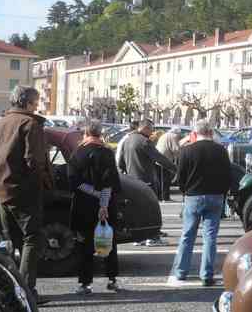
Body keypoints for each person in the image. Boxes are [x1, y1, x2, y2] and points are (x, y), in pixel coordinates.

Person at [0, 86, 53, 302]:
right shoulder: (30, 124)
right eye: (36, 102)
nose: (37, 106)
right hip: (24, 191)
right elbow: (35, 161)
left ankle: (8, 289)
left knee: (11, 241)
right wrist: (43, 184)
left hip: (0, 189)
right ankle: (24, 292)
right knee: (32, 238)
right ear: (27, 103)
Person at [169, 119, 232, 286]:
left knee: (187, 235)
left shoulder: (187, 151)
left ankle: (181, 272)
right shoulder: (221, 151)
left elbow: (180, 177)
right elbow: (228, 175)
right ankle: (206, 274)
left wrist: (185, 191)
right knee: (210, 237)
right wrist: (223, 193)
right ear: (211, 133)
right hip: (215, 196)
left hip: (193, 196)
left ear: (195, 134)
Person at [68, 120, 121, 295]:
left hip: (84, 205)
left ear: (85, 134)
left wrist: (93, 194)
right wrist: (104, 204)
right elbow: (110, 182)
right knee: (109, 242)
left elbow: (74, 181)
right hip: (106, 204)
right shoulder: (107, 152)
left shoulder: (78, 153)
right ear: (100, 134)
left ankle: (85, 284)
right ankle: (112, 280)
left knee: (85, 245)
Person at [118, 119, 176, 202]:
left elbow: (121, 163)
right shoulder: (145, 141)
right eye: (151, 130)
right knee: (149, 210)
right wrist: (175, 168)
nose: (152, 132)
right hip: (146, 182)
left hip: (131, 181)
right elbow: (159, 158)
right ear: (145, 128)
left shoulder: (127, 140)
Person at [156, 127, 182, 202]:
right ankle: (164, 197)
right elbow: (175, 149)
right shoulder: (173, 136)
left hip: (160, 159)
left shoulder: (166, 135)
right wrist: (181, 154)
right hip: (164, 160)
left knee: (162, 180)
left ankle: (162, 197)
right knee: (165, 180)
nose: (179, 136)